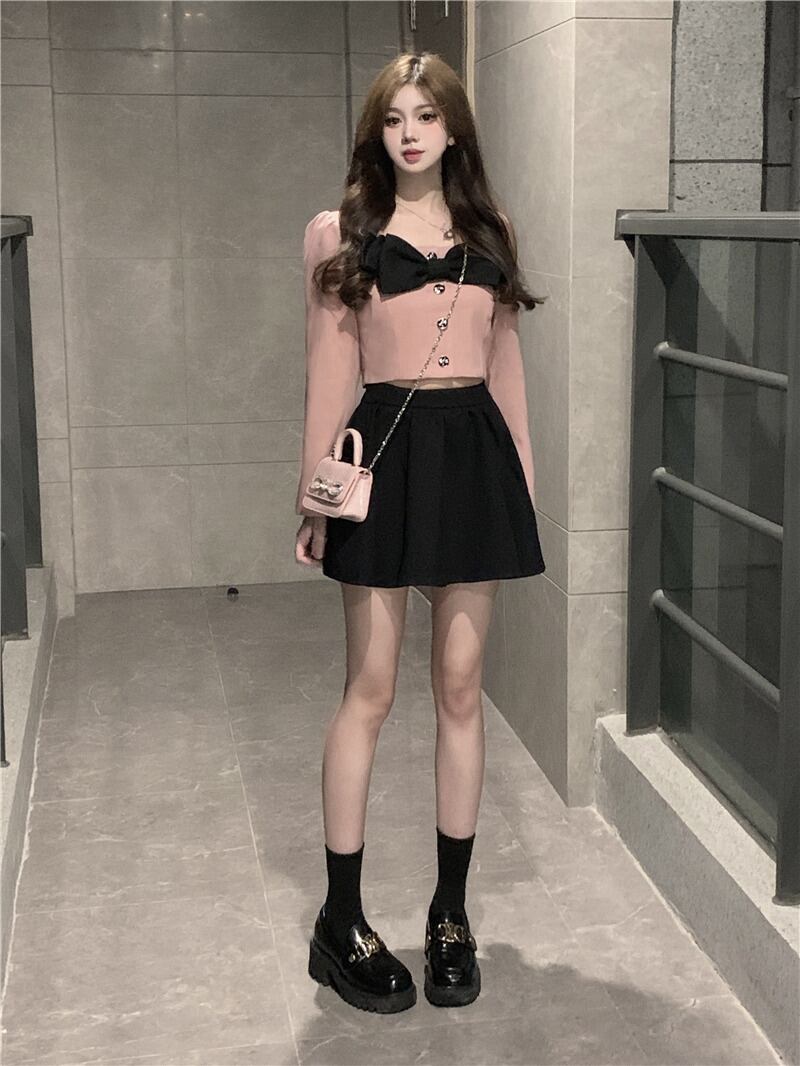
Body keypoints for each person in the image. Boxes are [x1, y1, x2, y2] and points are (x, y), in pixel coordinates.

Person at [294, 52, 546, 1014]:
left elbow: (507, 370)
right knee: (370, 687)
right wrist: (316, 498)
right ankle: (341, 920)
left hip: (475, 457)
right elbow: (328, 374)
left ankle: (450, 915)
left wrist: (521, 491)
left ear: (453, 130)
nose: (410, 133)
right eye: (395, 118)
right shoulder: (341, 233)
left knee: (461, 687)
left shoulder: (492, 230)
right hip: (385, 453)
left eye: (427, 116)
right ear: (378, 131)